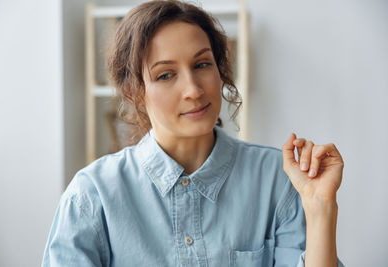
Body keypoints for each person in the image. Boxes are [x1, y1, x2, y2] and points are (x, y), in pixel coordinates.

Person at [42, 0, 345, 266]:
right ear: (134, 91)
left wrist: (320, 208)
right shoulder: (91, 196)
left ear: (220, 69)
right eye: (165, 75)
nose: (193, 89)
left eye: (202, 64)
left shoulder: (279, 181)